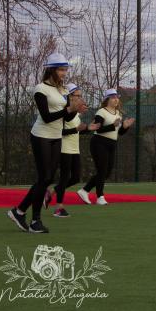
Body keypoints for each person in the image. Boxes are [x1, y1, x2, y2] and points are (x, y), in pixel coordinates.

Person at [7, 53, 86, 233]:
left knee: (47, 178)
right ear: (51, 70)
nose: (64, 73)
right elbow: (47, 117)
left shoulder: (63, 90)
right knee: (44, 177)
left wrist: (76, 110)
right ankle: (35, 220)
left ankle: (19, 211)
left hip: (56, 136)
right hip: (41, 135)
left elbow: (66, 118)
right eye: (61, 69)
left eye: (65, 69)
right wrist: (69, 109)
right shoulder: (40, 89)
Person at [49, 83, 100, 217]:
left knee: (76, 177)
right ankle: (59, 207)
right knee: (64, 177)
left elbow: (77, 131)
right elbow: (59, 132)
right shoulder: (63, 111)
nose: (80, 98)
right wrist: (75, 129)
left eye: (80, 95)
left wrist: (88, 128)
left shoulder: (75, 114)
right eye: (77, 95)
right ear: (69, 96)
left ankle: (52, 191)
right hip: (64, 148)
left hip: (74, 149)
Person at [78, 89, 134, 206]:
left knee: (107, 172)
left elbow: (120, 132)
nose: (116, 99)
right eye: (113, 97)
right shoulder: (101, 112)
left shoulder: (118, 113)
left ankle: (84, 190)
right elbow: (98, 129)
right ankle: (100, 197)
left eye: (117, 97)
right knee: (102, 170)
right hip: (99, 142)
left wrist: (125, 127)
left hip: (112, 144)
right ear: (107, 99)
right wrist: (113, 126)